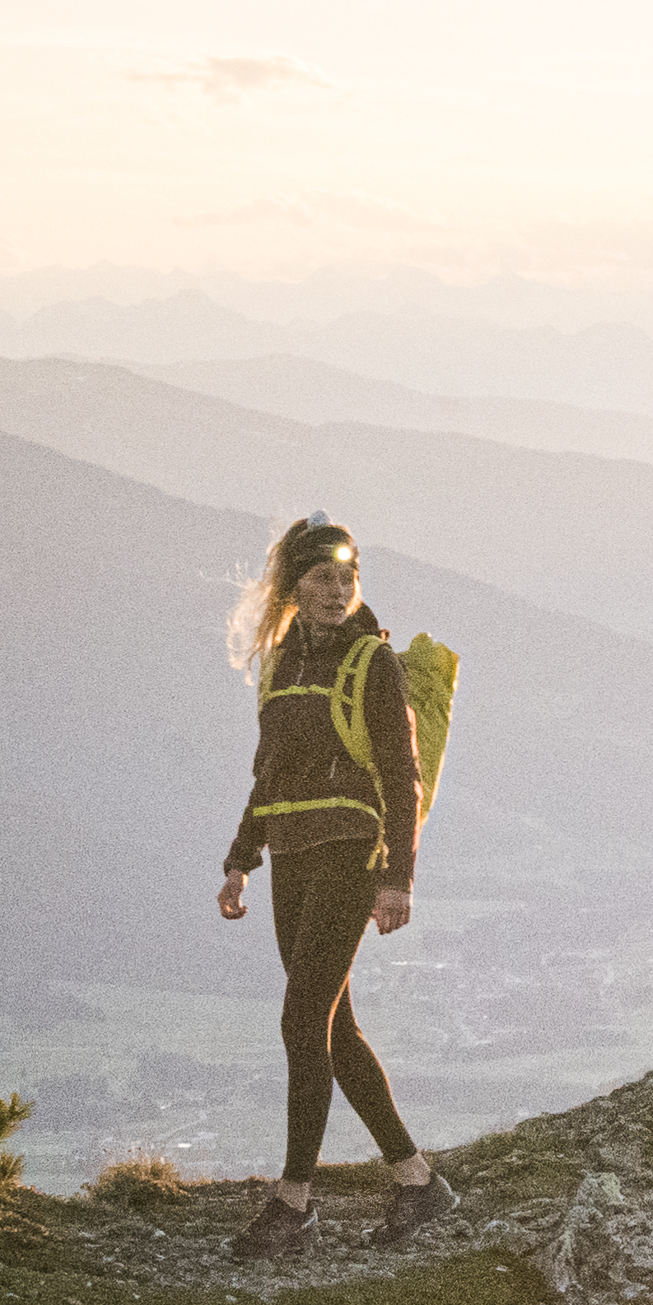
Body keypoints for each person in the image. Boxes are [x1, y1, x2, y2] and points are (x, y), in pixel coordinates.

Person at [212, 513, 443, 1258]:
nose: (337, 590)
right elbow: (268, 770)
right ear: (293, 586)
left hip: (350, 855)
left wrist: (397, 878)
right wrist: (240, 858)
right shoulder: (280, 664)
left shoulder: (373, 664)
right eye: (321, 577)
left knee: (300, 1016)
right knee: (332, 1030)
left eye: (346, 577)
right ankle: (416, 1180)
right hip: (291, 858)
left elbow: (402, 777)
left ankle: (295, 1202)